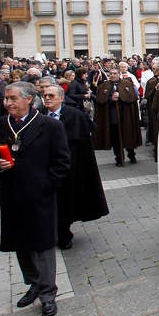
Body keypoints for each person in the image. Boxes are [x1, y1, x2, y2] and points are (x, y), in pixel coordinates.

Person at [0, 82, 70, 316]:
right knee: (21, 243)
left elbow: (62, 162)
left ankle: (47, 293)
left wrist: (46, 185)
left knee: (43, 245)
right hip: (13, 194)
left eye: (13, 98)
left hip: (40, 195)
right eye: (6, 99)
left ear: (29, 100)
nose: (8, 103)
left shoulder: (50, 126)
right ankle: (33, 282)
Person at [42, 84, 108, 249]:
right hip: (46, 168)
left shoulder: (75, 116)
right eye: (45, 96)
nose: (47, 99)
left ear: (61, 98)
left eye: (51, 95)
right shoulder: (39, 116)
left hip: (70, 167)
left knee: (65, 202)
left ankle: (64, 233)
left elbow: (85, 146)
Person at [94, 68, 142, 166]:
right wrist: (110, 98)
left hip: (125, 116)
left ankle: (131, 155)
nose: (112, 75)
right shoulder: (105, 85)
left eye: (115, 73)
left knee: (128, 136)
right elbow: (99, 99)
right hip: (113, 117)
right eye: (111, 73)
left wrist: (121, 96)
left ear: (119, 74)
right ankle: (119, 158)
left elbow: (133, 96)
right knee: (115, 139)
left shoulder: (126, 83)